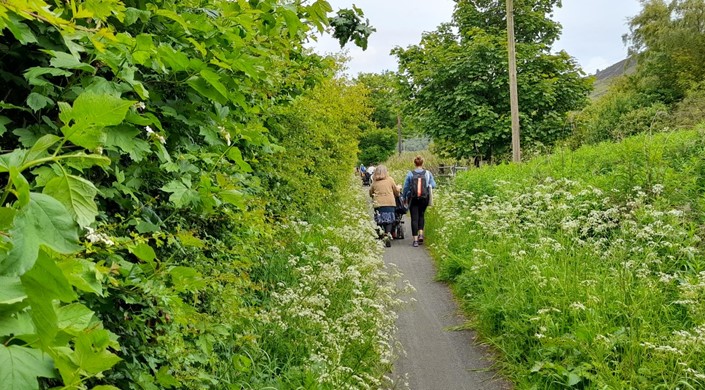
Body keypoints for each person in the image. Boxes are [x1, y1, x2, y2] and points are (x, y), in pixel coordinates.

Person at [402, 155, 437, 247]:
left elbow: (405, 187)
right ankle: (421, 234)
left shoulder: (410, 173)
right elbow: (433, 185)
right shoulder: (428, 173)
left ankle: (415, 241)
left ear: (415, 163)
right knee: (421, 215)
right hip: (424, 198)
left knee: (414, 218)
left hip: (413, 198)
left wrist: (404, 197)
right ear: (422, 163)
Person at [369, 165, 400, 247]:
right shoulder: (390, 180)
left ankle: (380, 235)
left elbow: (370, 193)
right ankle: (387, 234)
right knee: (389, 220)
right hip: (389, 203)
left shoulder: (374, 182)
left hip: (378, 203)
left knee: (379, 220)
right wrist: (398, 190)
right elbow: (396, 191)